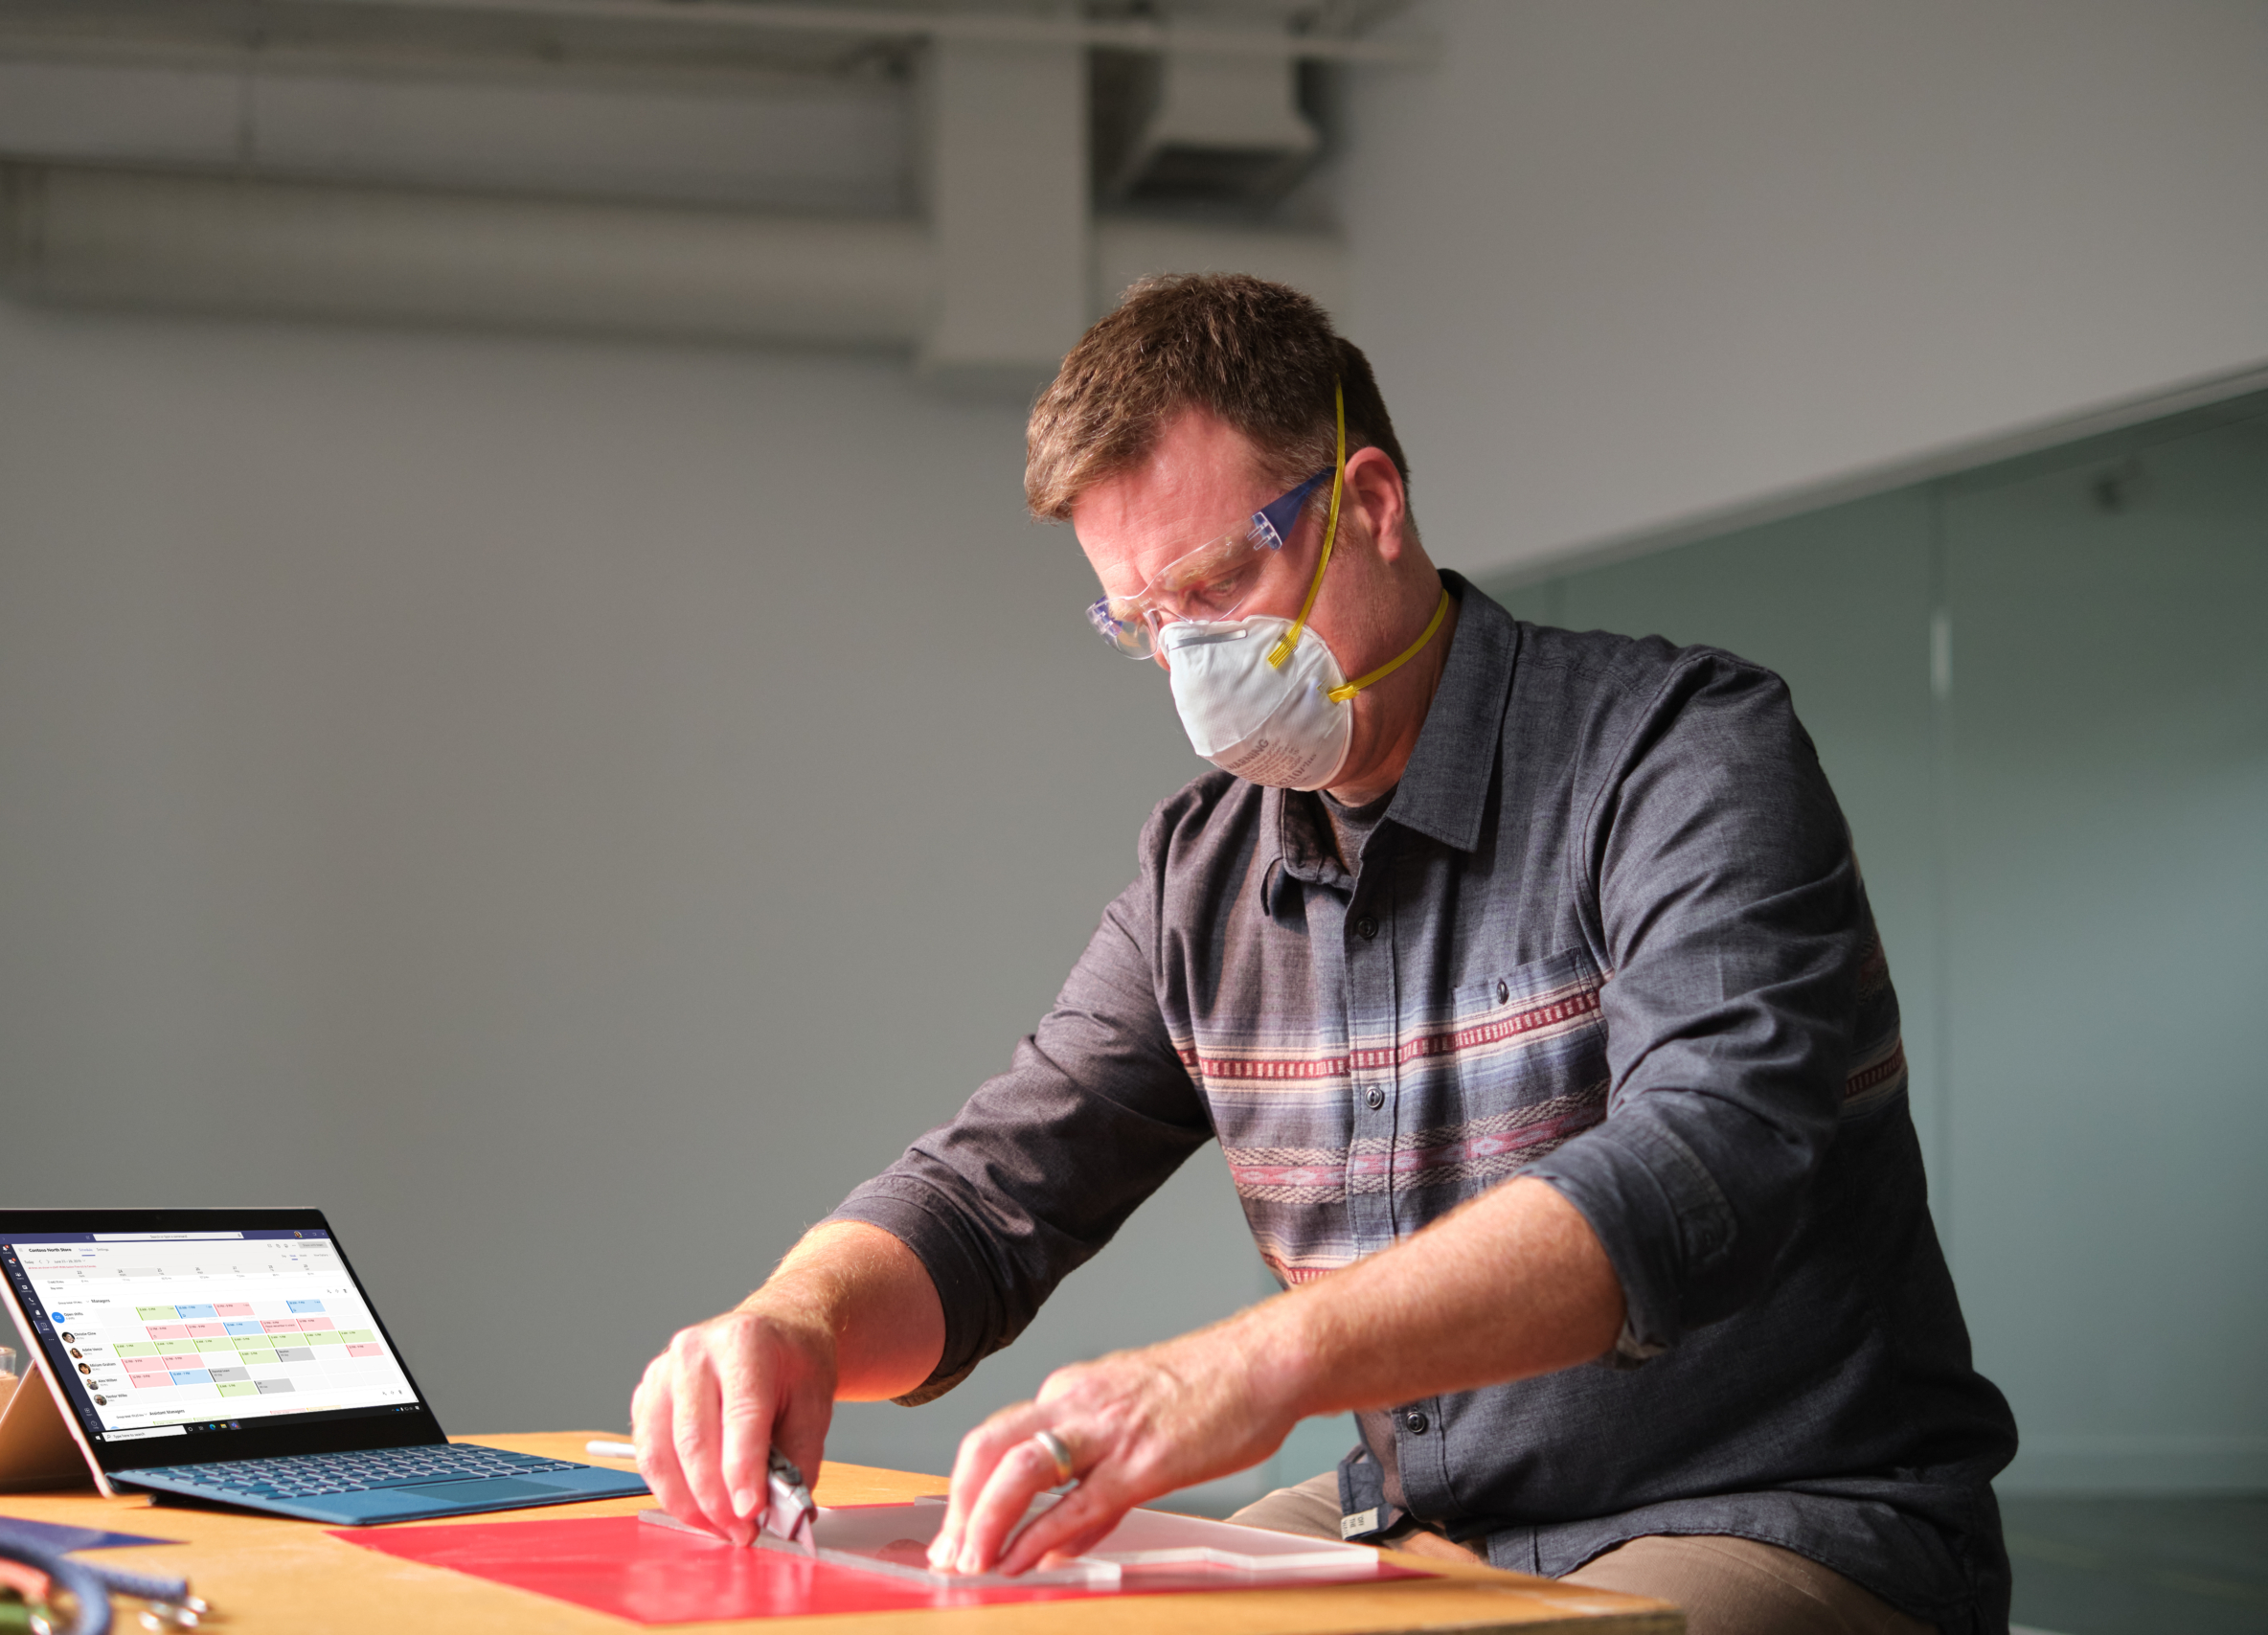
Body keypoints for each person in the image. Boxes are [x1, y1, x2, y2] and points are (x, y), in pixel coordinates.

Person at [630, 275, 2016, 1635]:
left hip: (1771, 1508)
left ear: (1369, 504)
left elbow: (1702, 1163)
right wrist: (794, 1320)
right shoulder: (1206, 869)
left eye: (1219, 579)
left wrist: (1256, 1367)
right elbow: (998, 1188)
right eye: (1143, 624)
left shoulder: (1681, 751)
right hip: (1427, 1515)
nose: (1191, 663)